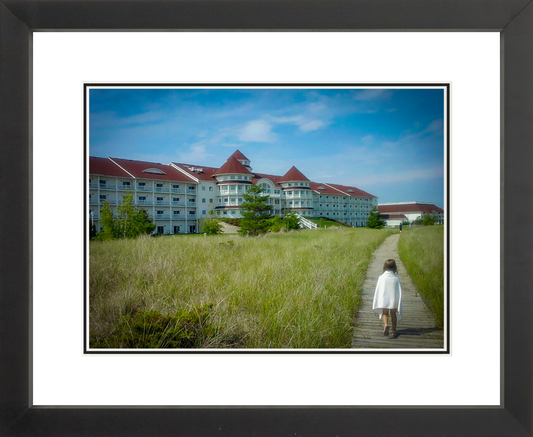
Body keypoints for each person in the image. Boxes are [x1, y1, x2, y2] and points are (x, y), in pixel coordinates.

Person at [372, 259, 402, 338]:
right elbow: (398, 291)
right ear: (394, 267)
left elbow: (379, 289)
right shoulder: (396, 278)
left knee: (385, 312)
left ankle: (386, 325)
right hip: (393, 299)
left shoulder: (381, 278)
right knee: (393, 314)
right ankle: (394, 330)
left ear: (384, 267)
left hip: (384, 298)